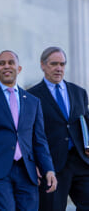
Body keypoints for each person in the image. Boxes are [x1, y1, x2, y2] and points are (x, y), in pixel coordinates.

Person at [0, 50, 57, 210]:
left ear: (19, 68)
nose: (6, 66)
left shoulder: (33, 101)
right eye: (2, 63)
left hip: (27, 172)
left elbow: (40, 141)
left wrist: (48, 169)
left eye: (11, 62)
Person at [28, 47, 89, 211]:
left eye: (62, 64)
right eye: (54, 64)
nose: (59, 68)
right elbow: (27, 133)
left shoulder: (79, 93)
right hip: (51, 165)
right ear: (43, 65)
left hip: (81, 162)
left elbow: (86, 123)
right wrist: (32, 162)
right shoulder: (31, 96)